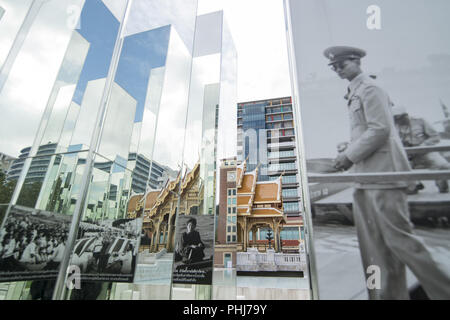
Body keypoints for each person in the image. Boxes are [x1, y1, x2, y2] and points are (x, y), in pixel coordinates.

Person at [324, 45, 450, 299]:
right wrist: (350, 153)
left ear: (357, 61)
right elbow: (363, 132)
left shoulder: (371, 88)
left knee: (401, 241)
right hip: (366, 177)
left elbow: (379, 129)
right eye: (334, 67)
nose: (338, 70)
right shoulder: (354, 92)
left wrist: (348, 155)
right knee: (378, 248)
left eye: (343, 64)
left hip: (384, 175)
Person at [392, 105, 450, 193]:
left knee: (441, 165)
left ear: (405, 115)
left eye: (399, 118)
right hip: (407, 155)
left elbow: (435, 137)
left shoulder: (420, 121)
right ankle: (415, 185)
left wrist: (423, 146)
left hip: (425, 152)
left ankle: (442, 187)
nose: (398, 121)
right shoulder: (393, 126)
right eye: (395, 119)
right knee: (398, 168)